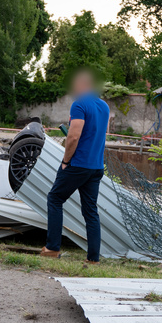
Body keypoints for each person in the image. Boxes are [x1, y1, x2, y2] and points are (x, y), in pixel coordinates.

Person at [40, 69, 109, 264]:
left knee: (54, 198)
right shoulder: (104, 106)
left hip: (78, 164)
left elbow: (73, 136)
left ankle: (52, 248)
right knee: (90, 211)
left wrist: (65, 161)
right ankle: (93, 258)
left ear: (81, 85)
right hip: (96, 167)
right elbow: (99, 134)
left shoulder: (79, 104)